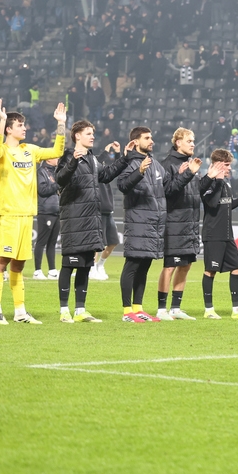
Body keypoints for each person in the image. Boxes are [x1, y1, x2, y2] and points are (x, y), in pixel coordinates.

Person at [0, 99, 67, 325]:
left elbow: (57, 150)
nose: (25, 128)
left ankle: (20, 312)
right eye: (20, 125)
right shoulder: (1, 151)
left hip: (27, 215)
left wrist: (61, 125)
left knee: (20, 264)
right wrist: (1, 122)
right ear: (9, 130)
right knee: (2, 260)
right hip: (8, 214)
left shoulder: (30, 150)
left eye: (24, 124)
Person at [118, 127, 198, 322]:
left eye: (151, 137)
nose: (151, 140)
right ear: (136, 142)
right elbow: (122, 185)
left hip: (153, 223)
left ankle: (138, 308)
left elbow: (169, 188)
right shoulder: (130, 162)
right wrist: (138, 172)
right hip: (138, 221)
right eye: (147, 138)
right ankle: (127, 311)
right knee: (132, 265)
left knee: (144, 266)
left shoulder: (155, 164)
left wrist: (184, 175)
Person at [54, 120, 130, 323]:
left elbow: (105, 176)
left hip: (91, 219)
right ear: (77, 135)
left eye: (92, 133)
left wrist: (124, 158)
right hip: (74, 219)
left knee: (86, 266)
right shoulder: (68, 156)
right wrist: (72, 163)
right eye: (88, 133)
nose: (92, 136)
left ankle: (80, 311)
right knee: (69, 265)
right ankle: (63, 311)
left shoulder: (92, 159)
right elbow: (59, 179)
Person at [199, 149, 238, 320]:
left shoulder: (226, 184)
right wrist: (217, 180)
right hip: (213, 235)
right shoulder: (209, 183)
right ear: (216, 164)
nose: (228, 168)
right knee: (211, 271)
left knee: (237, 269)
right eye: (225, 165)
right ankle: (209, 310)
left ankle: (237, 310)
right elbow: (211, 203)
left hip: (227, 234)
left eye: (229, 165)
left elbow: (227, 205)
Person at [156, 128, 202, 321]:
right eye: (189, 140)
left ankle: (175, 308)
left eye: (194, 140)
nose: (193, 144)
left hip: (190, 223)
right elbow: (168, 192)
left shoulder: (190, 164)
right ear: (178, 143)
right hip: (174, 223)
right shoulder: (167, 164)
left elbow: (195, 192)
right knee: (170, 266)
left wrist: (208, 178)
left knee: (186, 265)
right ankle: (161, 309)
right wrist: (187, 174)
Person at [90, 142, 123, 281]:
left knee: (113, 242)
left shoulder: (104, 171)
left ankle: (99, 265)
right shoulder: (92, 169)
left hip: (108, 210)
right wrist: (105, 151)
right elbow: (94, 163)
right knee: (96, 243)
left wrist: (117, 154)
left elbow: (119, 168)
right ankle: (91, 268)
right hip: (97, 210)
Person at [32, 158, 60, 280]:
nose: (58, 159)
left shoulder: (54, 172)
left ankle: (52, 270)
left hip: (56, 211)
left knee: (52, 242)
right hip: (45, 211)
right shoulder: (41, 172)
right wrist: (57, 184)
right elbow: (42, 190)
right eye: (55, 157)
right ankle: (37, 270)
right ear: (48, 160)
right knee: (41, 241)